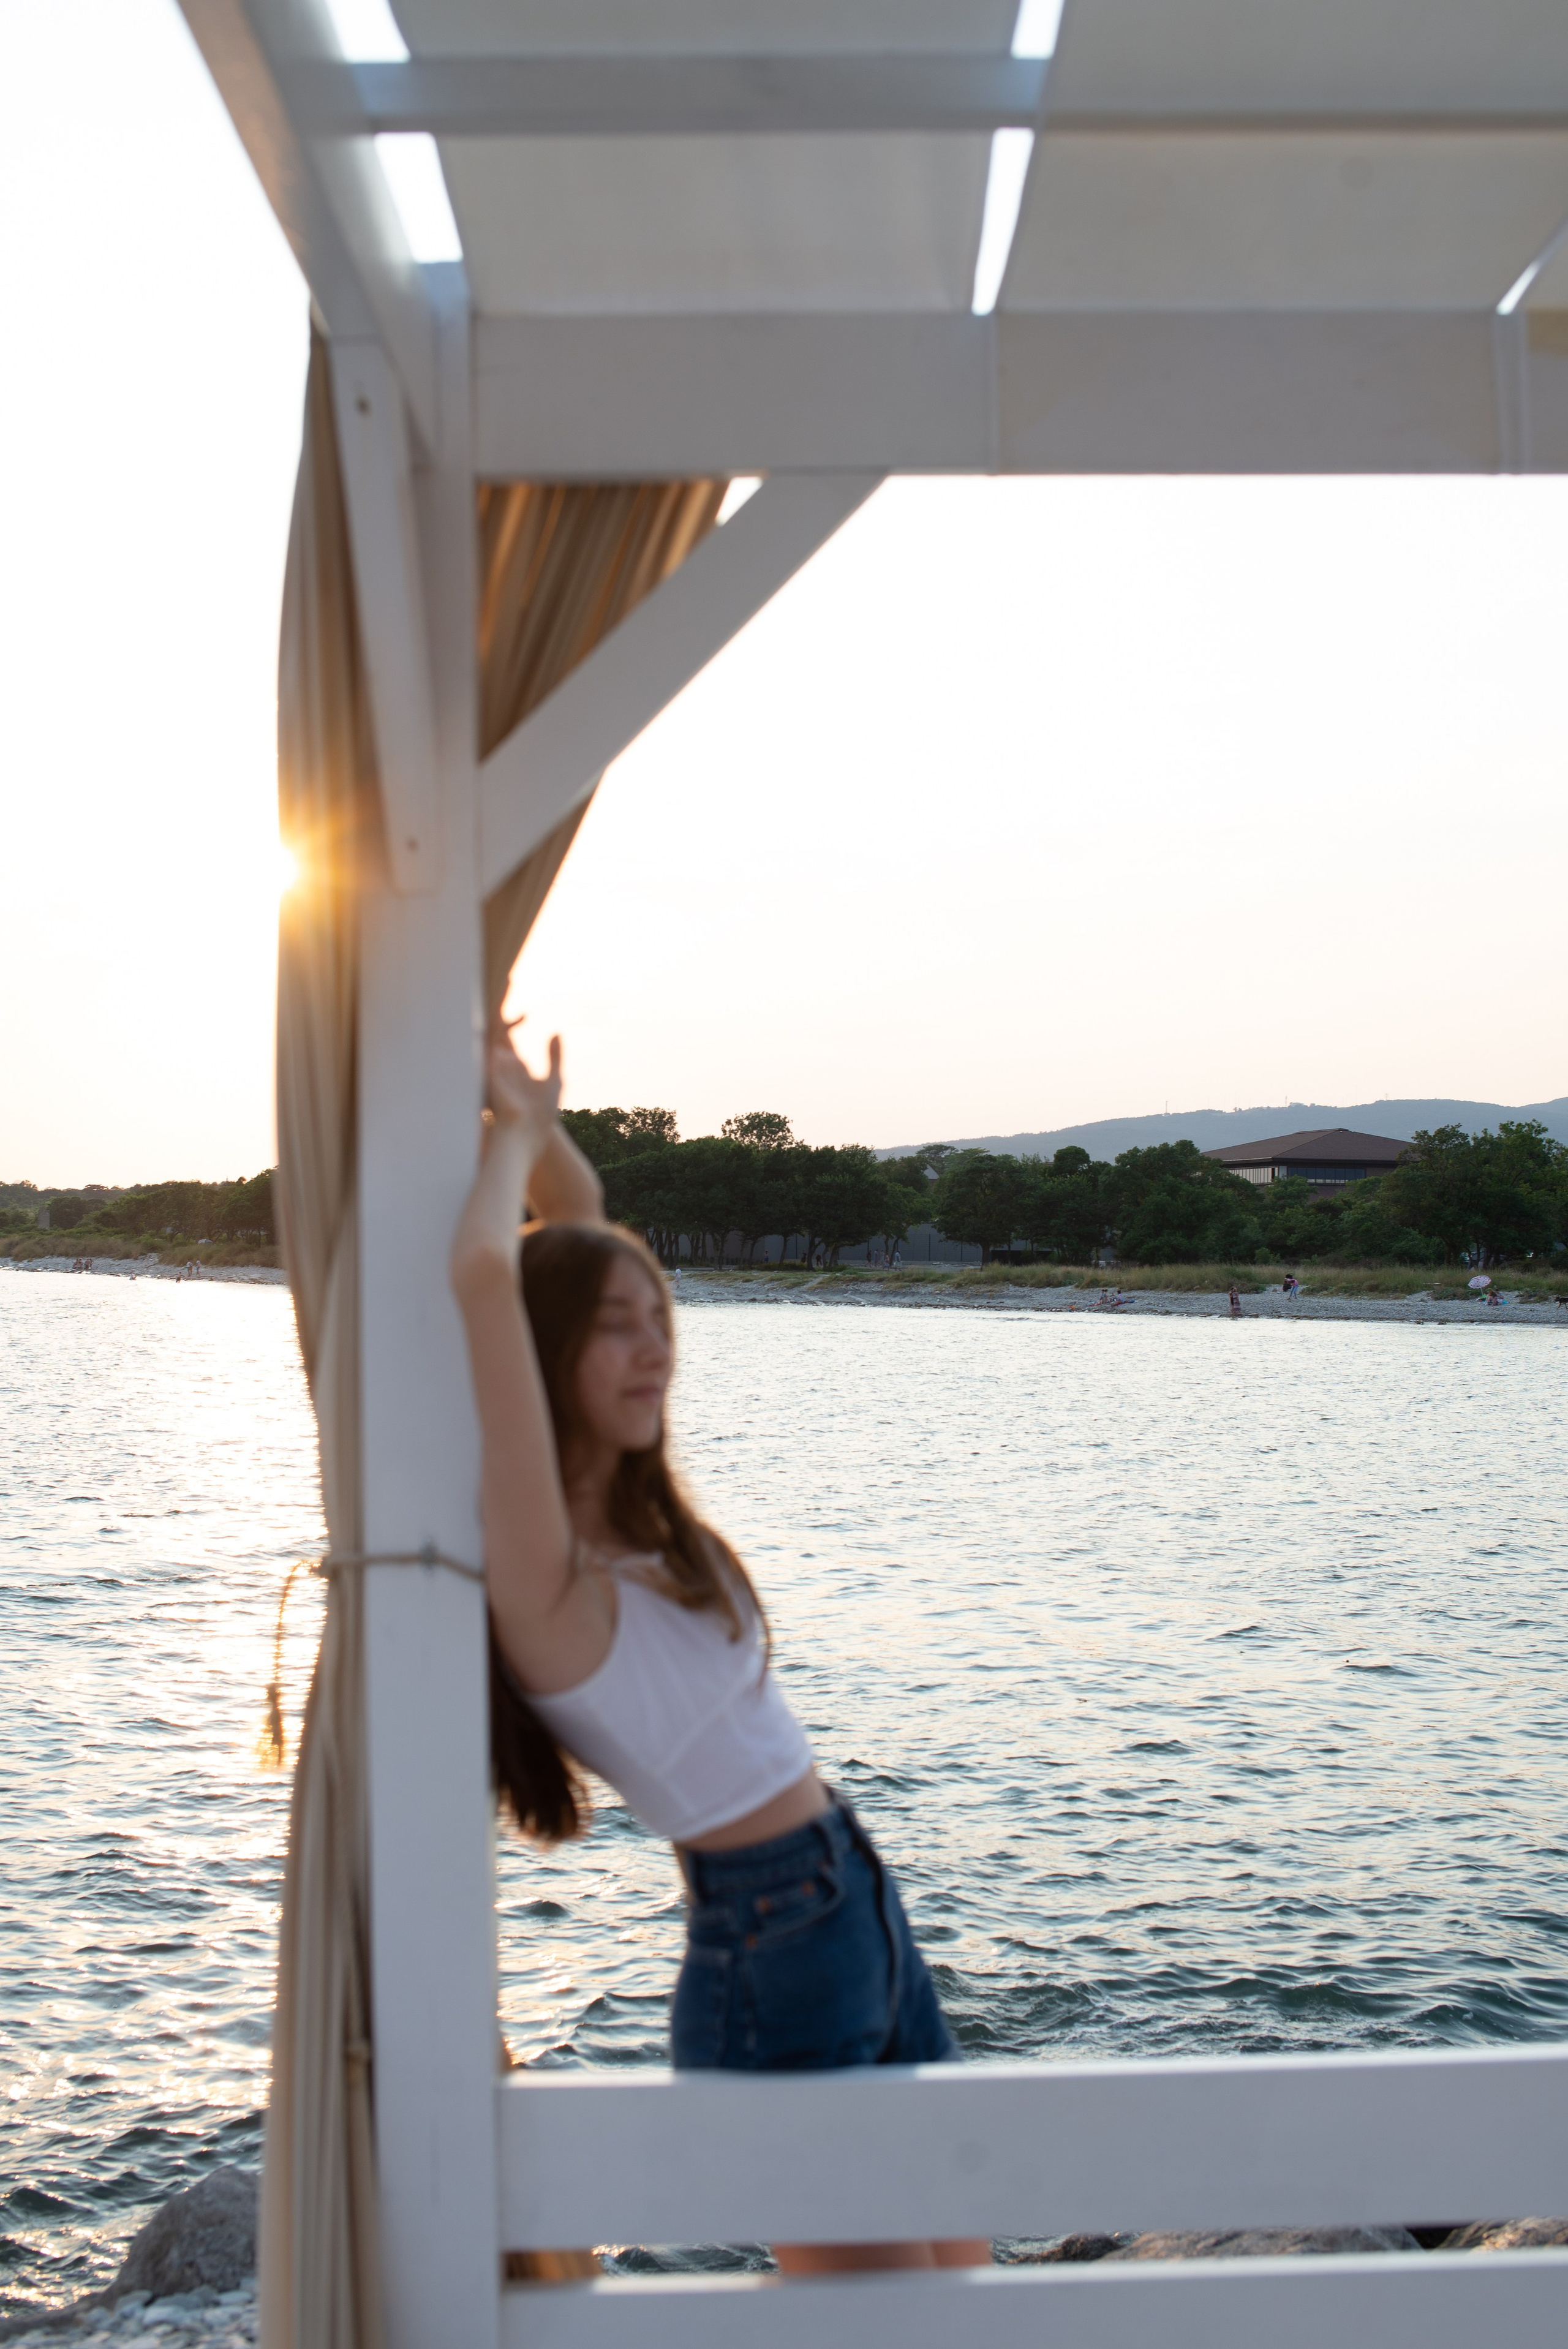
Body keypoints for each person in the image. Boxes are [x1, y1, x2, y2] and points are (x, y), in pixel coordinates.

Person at [450, 1025, 984, 2277]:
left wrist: (530, 1116)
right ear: (548, 1359)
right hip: (774, 1944)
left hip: (849, 1894)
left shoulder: (635, 1530)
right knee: (880, 2323)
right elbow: (489, 1275)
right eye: (617, 1331)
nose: (657, 1350)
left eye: (660, 1321)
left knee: (959, 2287)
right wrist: (512, 1141)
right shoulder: (545, 1573)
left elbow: (567, 1231)